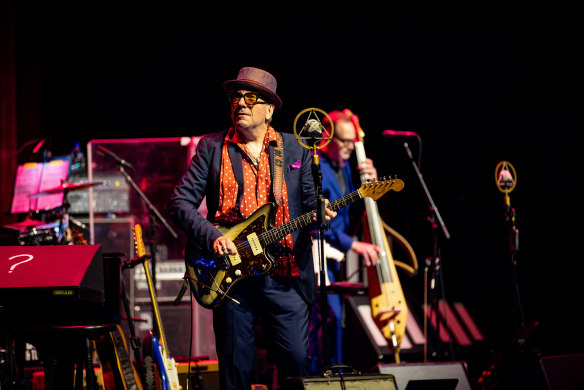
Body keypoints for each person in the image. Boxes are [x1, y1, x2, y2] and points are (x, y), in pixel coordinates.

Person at [168, 67, 337, 390]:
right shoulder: (212, 147)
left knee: (299, 363)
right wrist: (213, 237)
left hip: (285, 273)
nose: (240, 104)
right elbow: (180, 203)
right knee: (235, 367)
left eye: (250, 97)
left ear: (269, 109)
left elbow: (309, 201)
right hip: (232, 278)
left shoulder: (295, 148)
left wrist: (321, 213)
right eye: (235, 97)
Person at [308, 109, 381, 374]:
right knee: (329, 318)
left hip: (335, 257)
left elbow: (353, 214)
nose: (351, 147)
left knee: (333, 321)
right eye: (345, 141)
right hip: (318, 254)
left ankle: (334, 374)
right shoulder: (318, 170)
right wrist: (354, 244)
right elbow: (315, 219)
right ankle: (323, 376)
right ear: (327, 138)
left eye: (353, 142)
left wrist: (368, 183)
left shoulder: (345, 168)